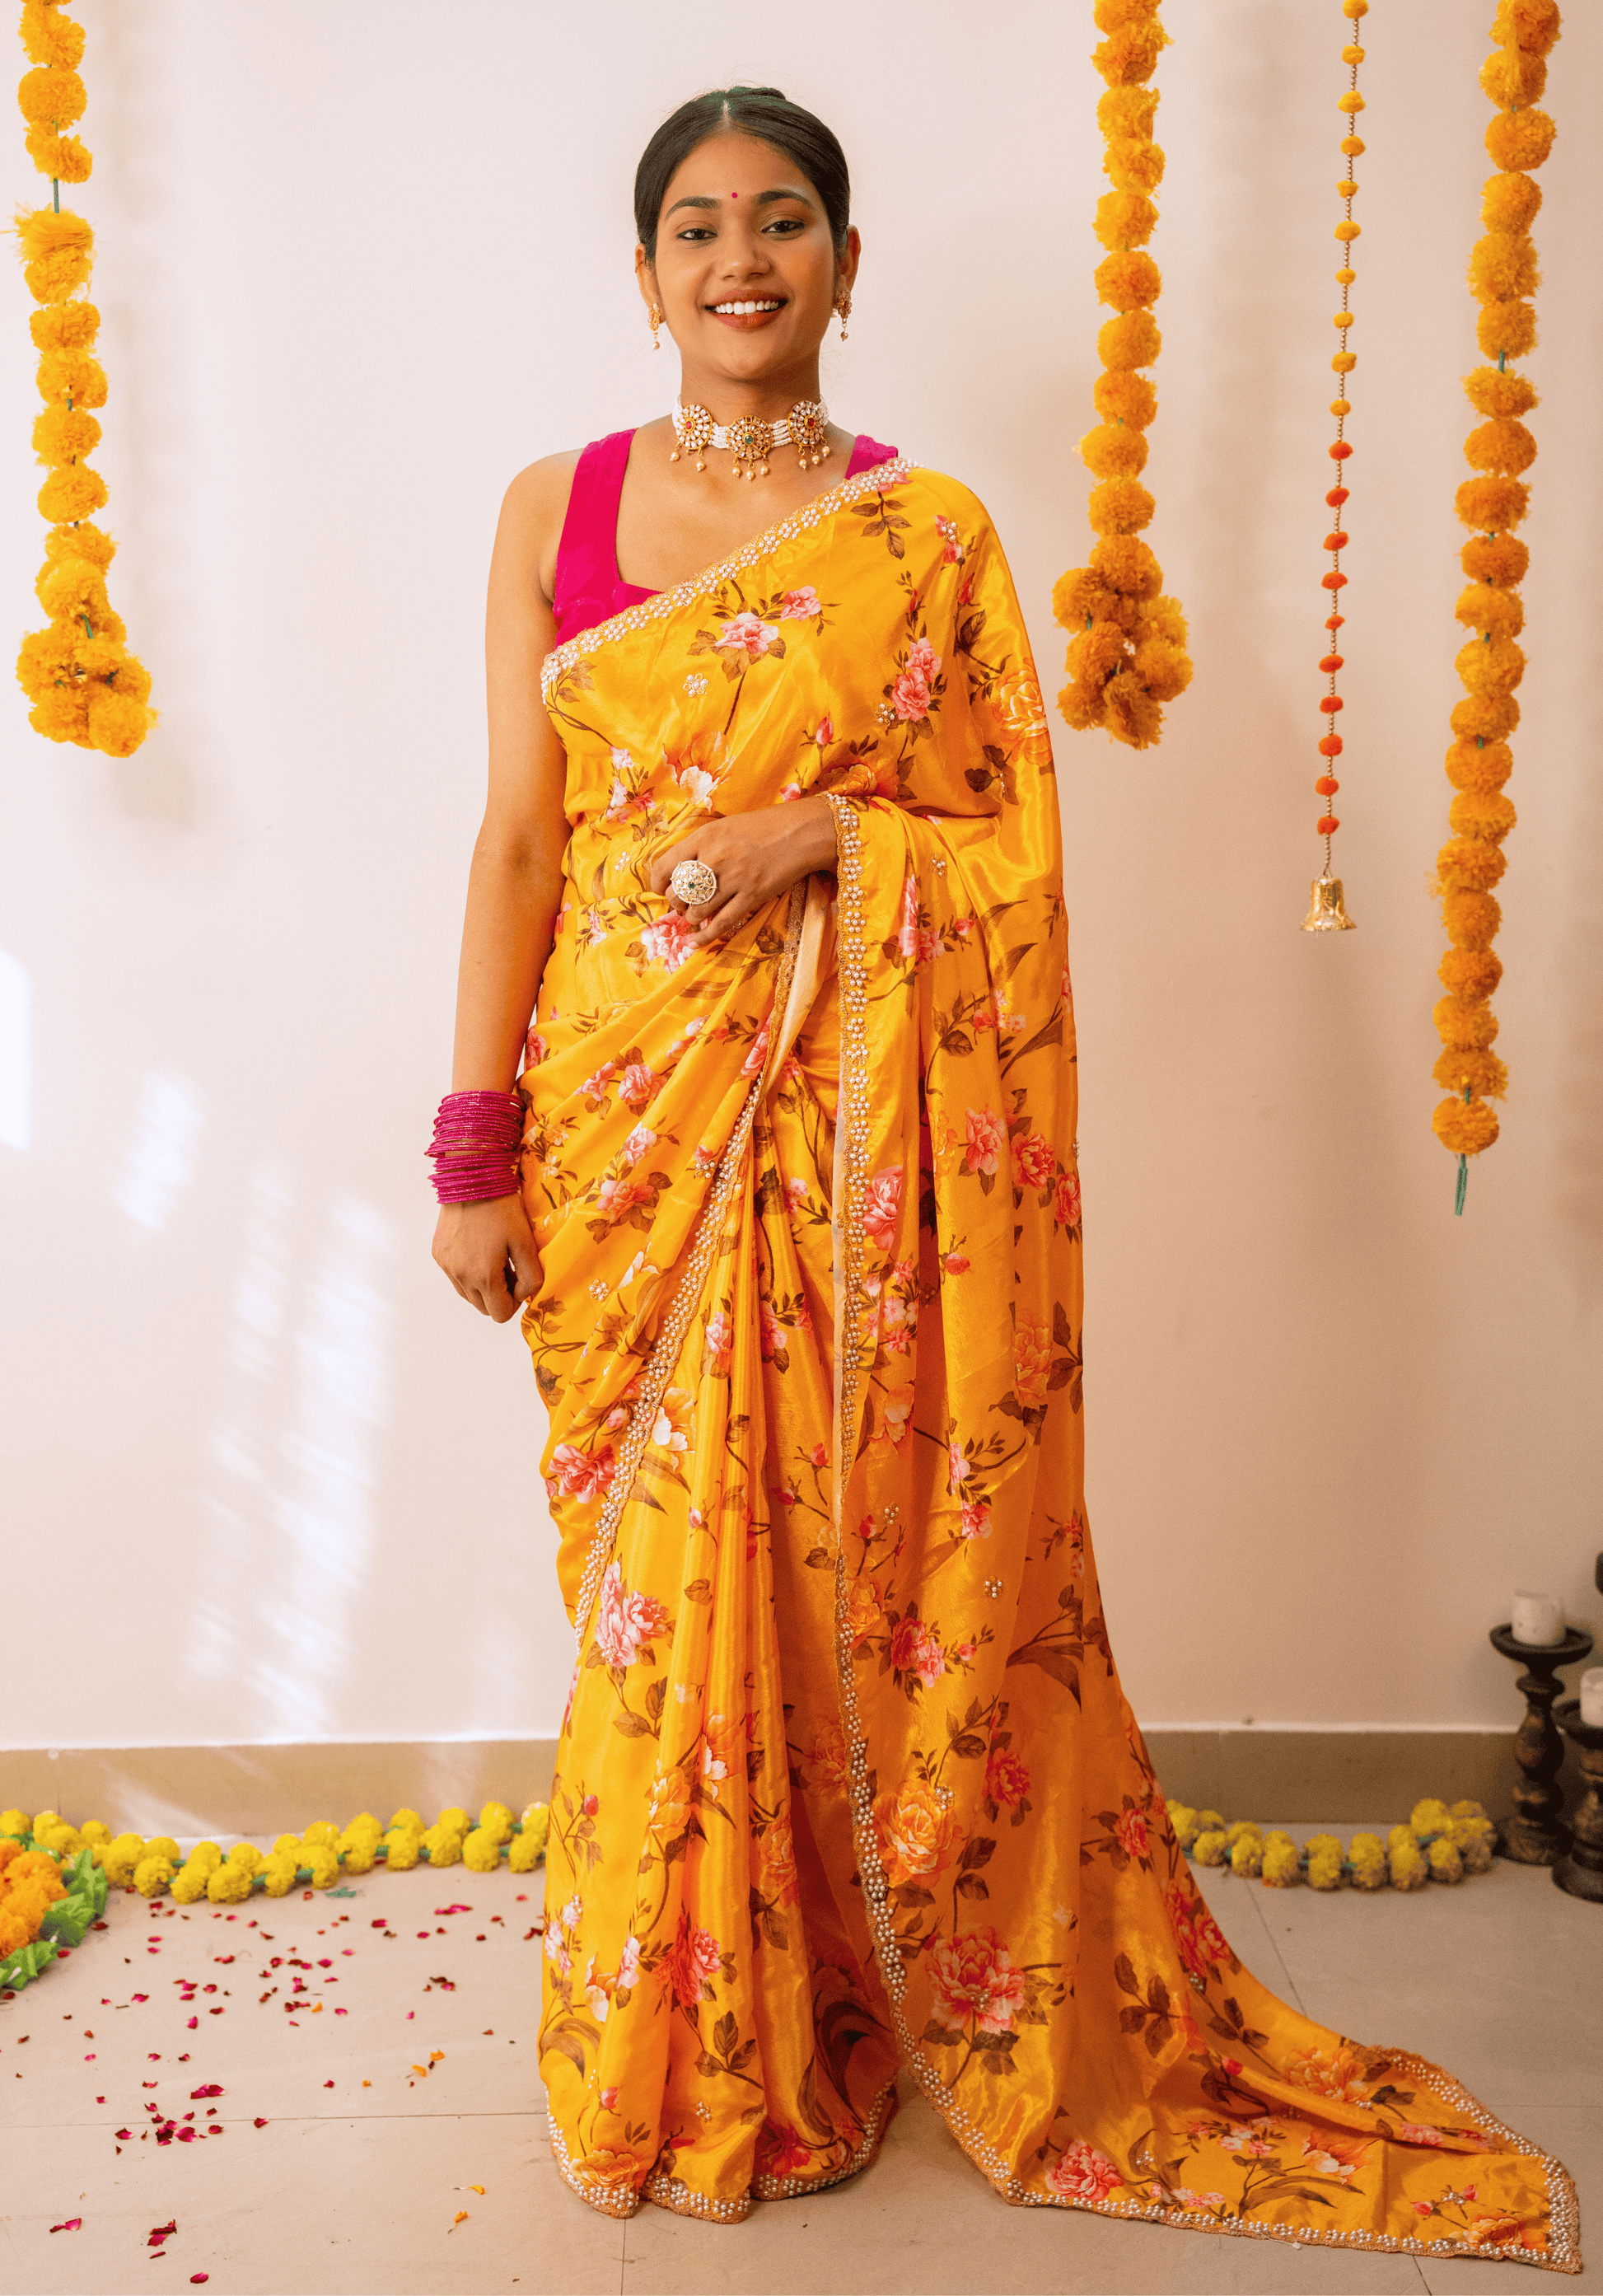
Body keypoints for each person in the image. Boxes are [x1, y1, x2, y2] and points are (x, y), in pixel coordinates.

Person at [428, 85, 1576, 2267]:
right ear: (647, 276)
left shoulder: (929, 534)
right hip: (623, 1125)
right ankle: (691, 2044)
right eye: (695, 225)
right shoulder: (546, 508)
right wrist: (475, 1137)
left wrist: (836, 836)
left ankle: (854, 1998)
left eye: (784, 219)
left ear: (849, 266)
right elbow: (514, 838)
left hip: (860, 1159)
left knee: (848, 1567)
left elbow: (1014, 867)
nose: (740, 255)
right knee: (665, 1598)